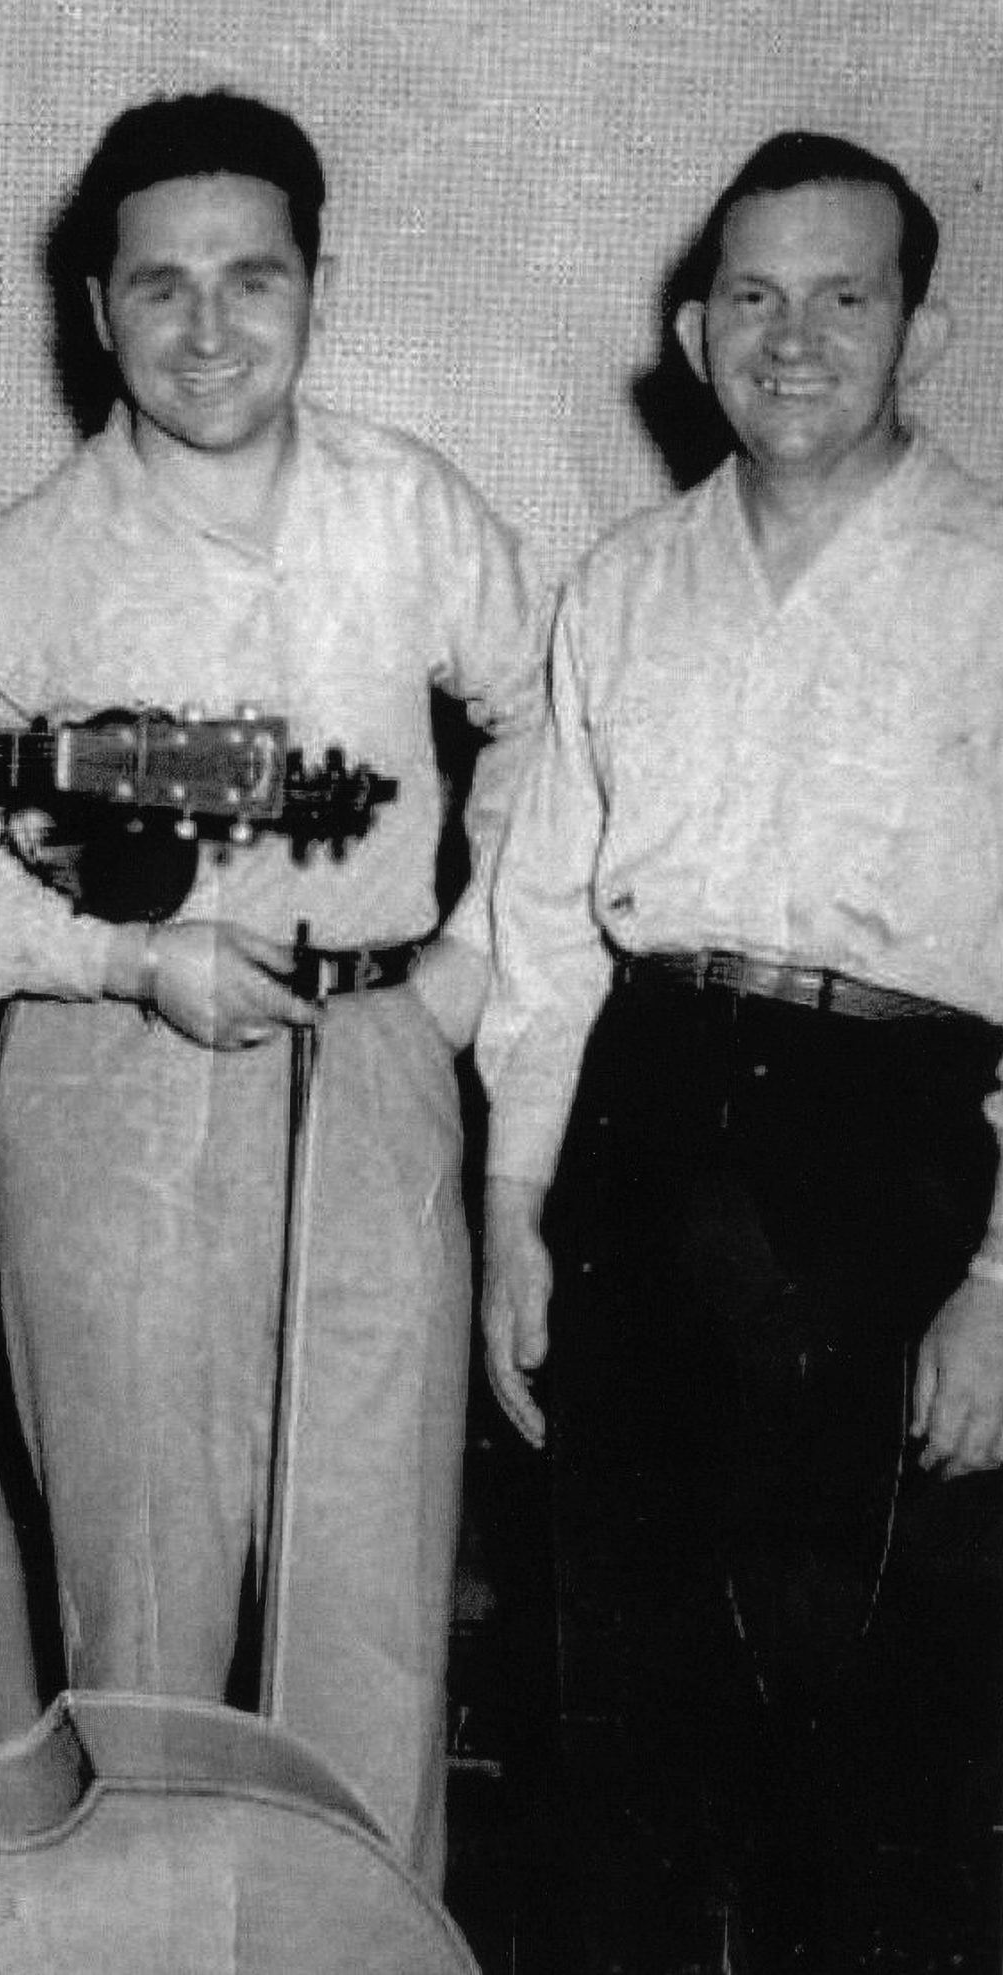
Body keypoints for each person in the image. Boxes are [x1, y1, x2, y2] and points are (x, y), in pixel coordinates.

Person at [0, 89, 541, 1878]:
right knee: (148, 1612)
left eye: (250, 280)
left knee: (372, 1607)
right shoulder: (34, 556)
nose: (207, 330)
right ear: (96, 311)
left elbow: (540, 720)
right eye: (161, 286)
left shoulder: (412, 512)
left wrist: (476, 962)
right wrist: (112, 956)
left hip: (374, 1067)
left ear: (315, 292)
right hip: (111, 1084)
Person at [478, 130, 1003, 1972]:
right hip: (647, 1138)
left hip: (896, 1170)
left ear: (918, 334)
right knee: (615, 1737)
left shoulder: (992, 587)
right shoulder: (623, 584)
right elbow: (540, 932)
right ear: (696, 333)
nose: (796, 339)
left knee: (871, 1760)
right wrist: (514, 1211)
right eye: (755, 299)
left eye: (844, 295)